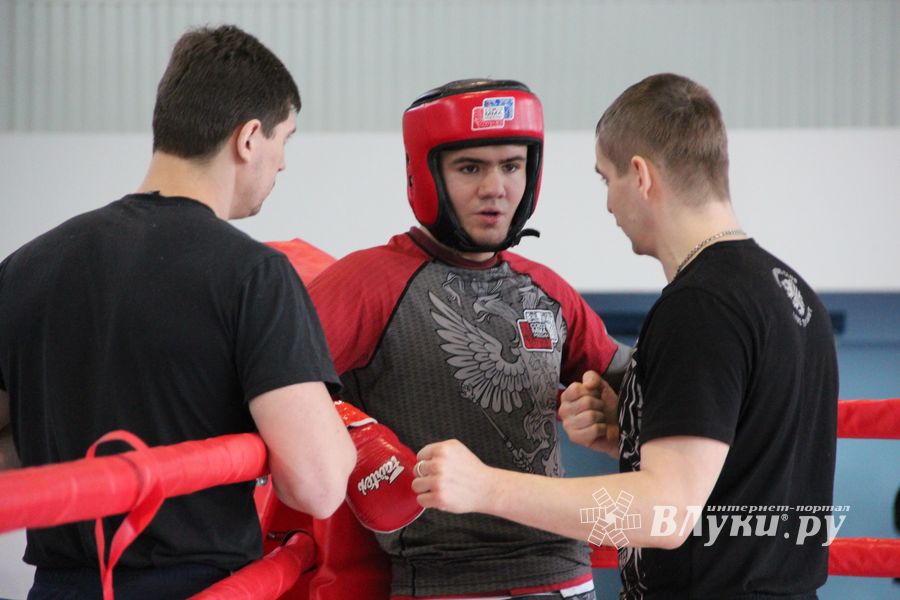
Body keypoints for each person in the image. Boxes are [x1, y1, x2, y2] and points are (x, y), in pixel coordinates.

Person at [413, 73, 839, 599]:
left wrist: (486, 487)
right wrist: (633, 436)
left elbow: (664, 515)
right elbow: (745, 473)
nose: (609, 205)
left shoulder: (699, 306)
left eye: (605, 179)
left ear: (640, 175)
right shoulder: (796, 296)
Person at [0, 25, 356, 599]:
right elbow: (316, 485)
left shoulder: (26, 266)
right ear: (248, 139)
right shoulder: (254, 274)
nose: (283, 163)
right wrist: (343, 433)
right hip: (198, 586)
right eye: (284, 139)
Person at [306, 79, 631, 600]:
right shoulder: (369, 285)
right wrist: (350, 430)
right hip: (447, 584)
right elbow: (268, 384)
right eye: (470, 167)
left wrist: (617, 413)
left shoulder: (546, 290)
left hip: (570, 579)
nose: (495, 188)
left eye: (511, 165)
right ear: (425, 175)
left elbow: (639, 381)